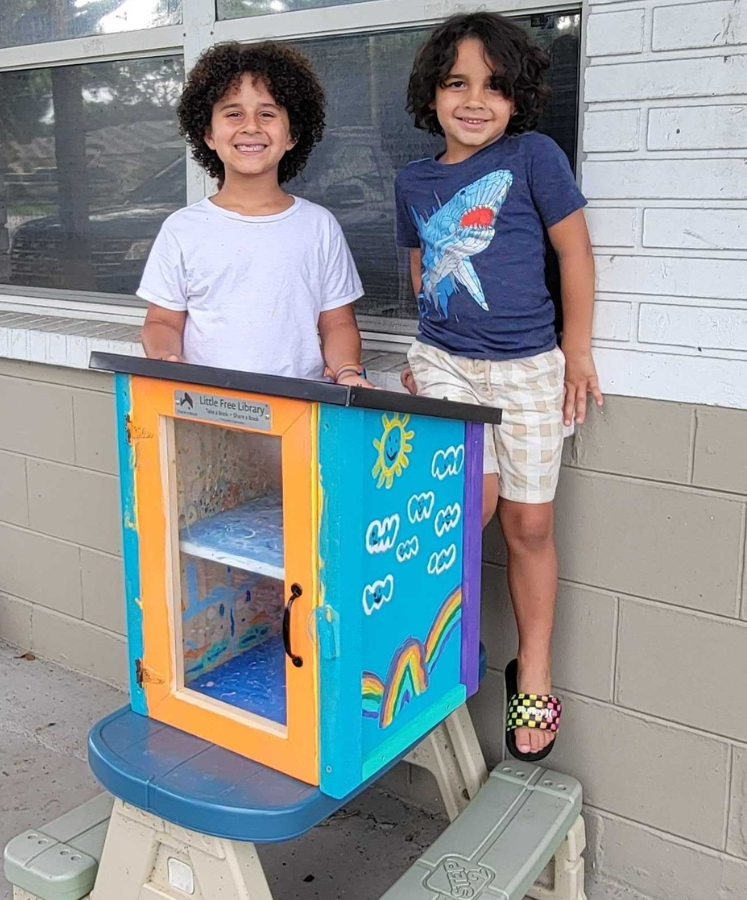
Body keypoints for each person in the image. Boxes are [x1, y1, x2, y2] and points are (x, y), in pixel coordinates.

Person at [395, 13, 603, 761]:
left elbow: (573, 252)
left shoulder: (533, 157)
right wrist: (429, 345)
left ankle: (534, 669)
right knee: (466, 506)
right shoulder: (413, 179)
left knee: (529, 526)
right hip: (447, 362)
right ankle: (425, 646)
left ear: (518, 99)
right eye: (457, 83)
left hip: (530, 369)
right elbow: (423, 263)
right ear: (433, 94)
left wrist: (576, 352)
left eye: (494, 86)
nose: (475, 100)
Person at [138, 41, 372, 388]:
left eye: (267, 113)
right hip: (205, 407)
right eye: (233, 113)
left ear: (292, 134)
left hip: (298, 410)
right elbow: (162, 323)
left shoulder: (319, 226)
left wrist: (348, 371)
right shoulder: (181, 229)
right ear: (208, 134)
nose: (250, 127)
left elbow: (337, 323)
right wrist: (169, 361)